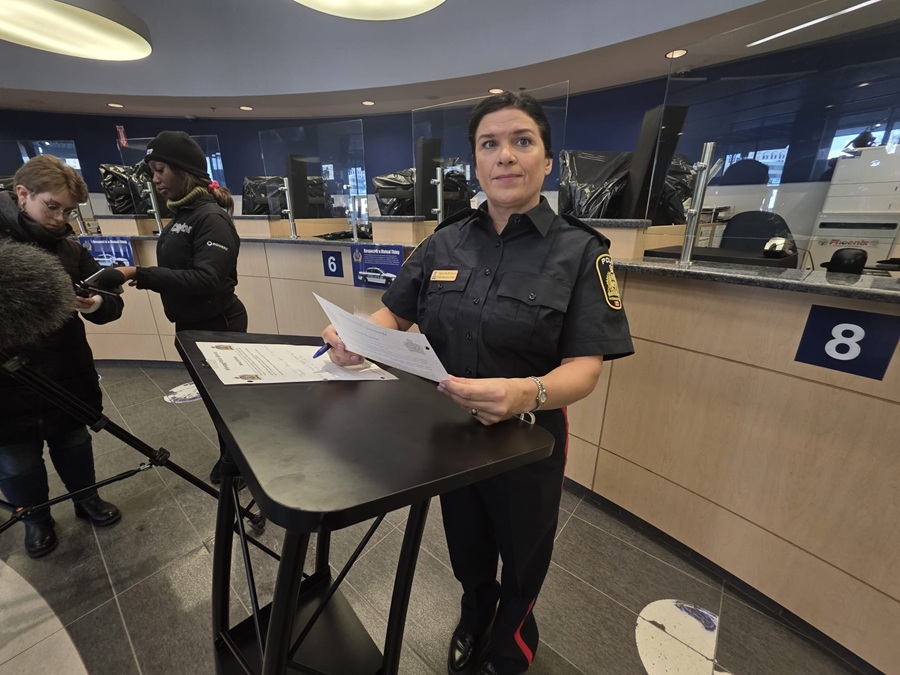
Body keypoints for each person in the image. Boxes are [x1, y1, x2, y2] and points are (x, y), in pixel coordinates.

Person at [322, 92, 634, 675]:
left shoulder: (580, 251)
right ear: (476, 161)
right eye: (490, 144)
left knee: (523, 554)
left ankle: (511, 642)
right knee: (466, 545)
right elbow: (393, 314)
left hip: (529, 435)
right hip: (450, 430)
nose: (505, 156)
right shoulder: (444, 241)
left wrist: (524, 393)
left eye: (522, 141)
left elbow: (585, 367)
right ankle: (474, 613)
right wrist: (354, 337)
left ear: (546, 160)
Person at [94, 131, 246, 485]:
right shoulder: (182, 215)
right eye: (151, 171)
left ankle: (238, 464)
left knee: (228, 403)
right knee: (216, 402)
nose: (154, 179)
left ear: (183, 170)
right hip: (191, 325)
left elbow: (207, 279)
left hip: (219, 324)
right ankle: (234, 457)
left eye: (160, 169)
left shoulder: (211, 218)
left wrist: (140, 273)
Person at [0, 154, 124, 558]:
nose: (59, 218)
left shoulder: (71, 250)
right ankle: (35, 519)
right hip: (7, 381)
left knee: (73, 442)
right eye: (51, 206)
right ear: (23, 194)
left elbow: (110, 301)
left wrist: (94, 304)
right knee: (17, 460)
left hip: (65, 370)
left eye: (67, 211)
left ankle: (86, 499)